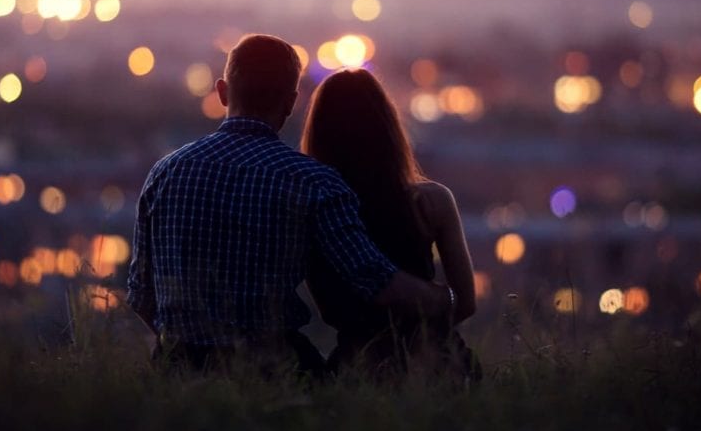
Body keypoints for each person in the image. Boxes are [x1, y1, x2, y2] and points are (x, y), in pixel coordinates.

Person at [126, 34, 456, 376]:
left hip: (176, 371)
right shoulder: (312, 182)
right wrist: (441, 299)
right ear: (291, 103)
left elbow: (140, 295)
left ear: (223, 92)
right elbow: (374, 280)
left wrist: (190, 348)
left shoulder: (166, 172)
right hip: (272, 369)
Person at [301, 68, 478, 378]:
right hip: (442, 361)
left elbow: (328, 310)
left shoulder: (315, 208)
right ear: (389, 128)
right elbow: (464, 302)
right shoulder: (431, 201)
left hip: (357, 365)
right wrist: (433, 309)